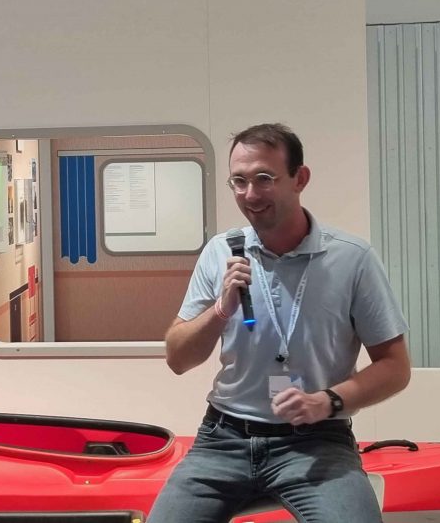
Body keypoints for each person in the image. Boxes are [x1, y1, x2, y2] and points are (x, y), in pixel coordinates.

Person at [149, 123, 411, 523]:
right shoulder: (221, 252)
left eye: (264, 179)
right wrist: (221, 309)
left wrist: (329, 401)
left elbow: (395, 368)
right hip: (224, 439)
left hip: (318, 441)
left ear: (299, 179)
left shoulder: (352, 259)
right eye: (239, 181)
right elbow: (178, 358)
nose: (250, 195)